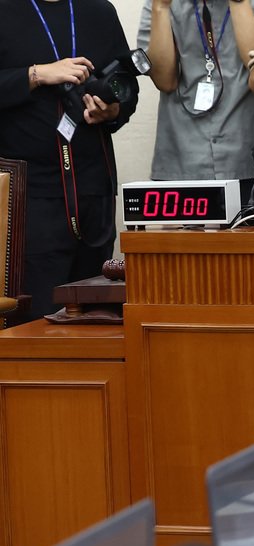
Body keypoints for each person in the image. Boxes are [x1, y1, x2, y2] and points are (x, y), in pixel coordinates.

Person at [0, 0, 138, 325]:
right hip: (28, 200)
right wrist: (35, 74)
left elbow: (126, 89)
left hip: (94, 192)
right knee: (35, 319)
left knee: (96, 317)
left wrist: (114, 111)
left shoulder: (100, 11)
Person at [139, 0, 254, 200]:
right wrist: (161, 8)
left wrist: (238, 3)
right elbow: (164, 80)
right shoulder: (160, 4)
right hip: (183, 159)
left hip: (250, 159)